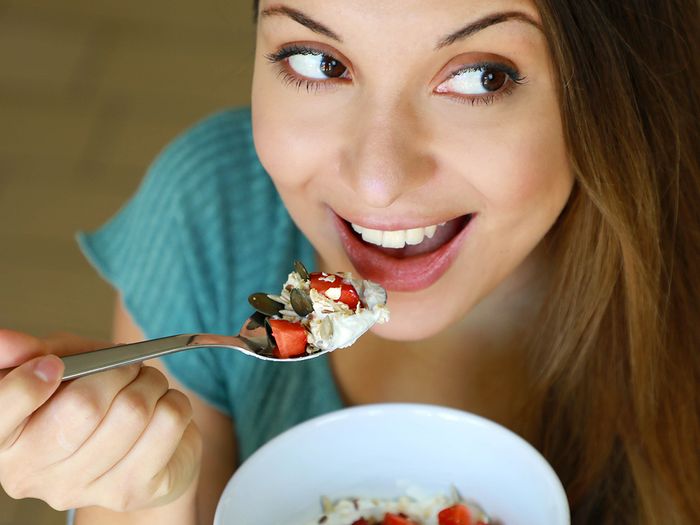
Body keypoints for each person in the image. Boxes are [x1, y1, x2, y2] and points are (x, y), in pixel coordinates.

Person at [0, 1, 698, 523]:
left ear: (609, 90)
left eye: (482, 76)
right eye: (318, 61)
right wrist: (153, 491)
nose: (377, 181)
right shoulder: (212, 211)